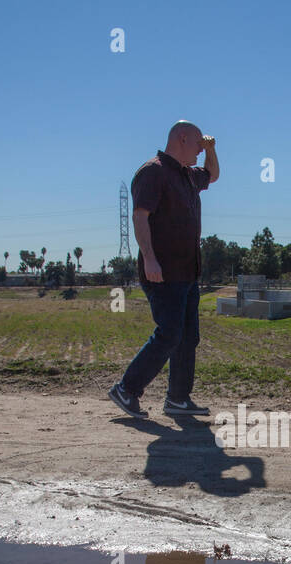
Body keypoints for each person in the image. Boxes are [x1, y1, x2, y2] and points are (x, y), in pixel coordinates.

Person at [109, 121, 219, 420]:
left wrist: (211, 149)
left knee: (187, 337)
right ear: (181, 138)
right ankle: (126, 389)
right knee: (169, 334)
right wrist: (149, 259)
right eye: (198, 144)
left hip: (187, 273)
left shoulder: (186, 175)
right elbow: (140, 216)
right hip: (163, 271)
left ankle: (177, 399)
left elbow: (213, 175)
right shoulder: (153, 171)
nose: (200, 149)